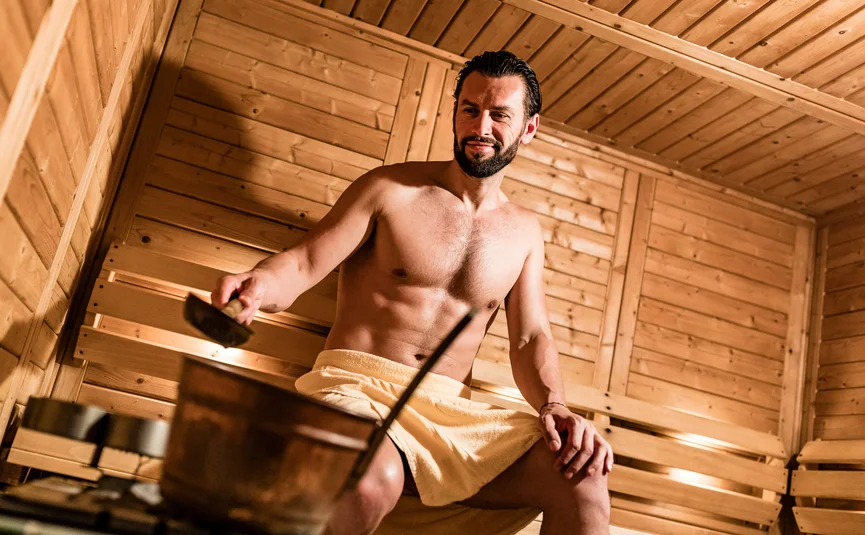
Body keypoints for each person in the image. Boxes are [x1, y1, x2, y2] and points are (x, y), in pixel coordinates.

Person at [211, 50, 613, 535]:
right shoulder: (390, 189)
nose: (480, 125)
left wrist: (556, 406)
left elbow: (530, 338)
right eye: (469, 109)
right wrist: (258, 286)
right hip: (357, 391)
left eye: (500, 114)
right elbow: (303, 262)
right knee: (368, 478)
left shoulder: (524, 233)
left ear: (528, 128)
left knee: (582, 475)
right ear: (454, 112)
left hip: (446, 416)